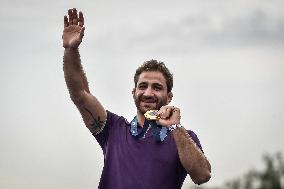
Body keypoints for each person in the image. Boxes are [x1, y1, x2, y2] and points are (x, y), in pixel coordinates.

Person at [62, 8, 211, 189]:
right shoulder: (113, 129)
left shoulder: (183, 137)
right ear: (133, 92)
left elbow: (202, 176)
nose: (148, 93)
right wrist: (71, 50)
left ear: (169, 96)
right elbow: (80, 94)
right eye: (143, 86)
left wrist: (176, 127)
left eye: (157, 87)